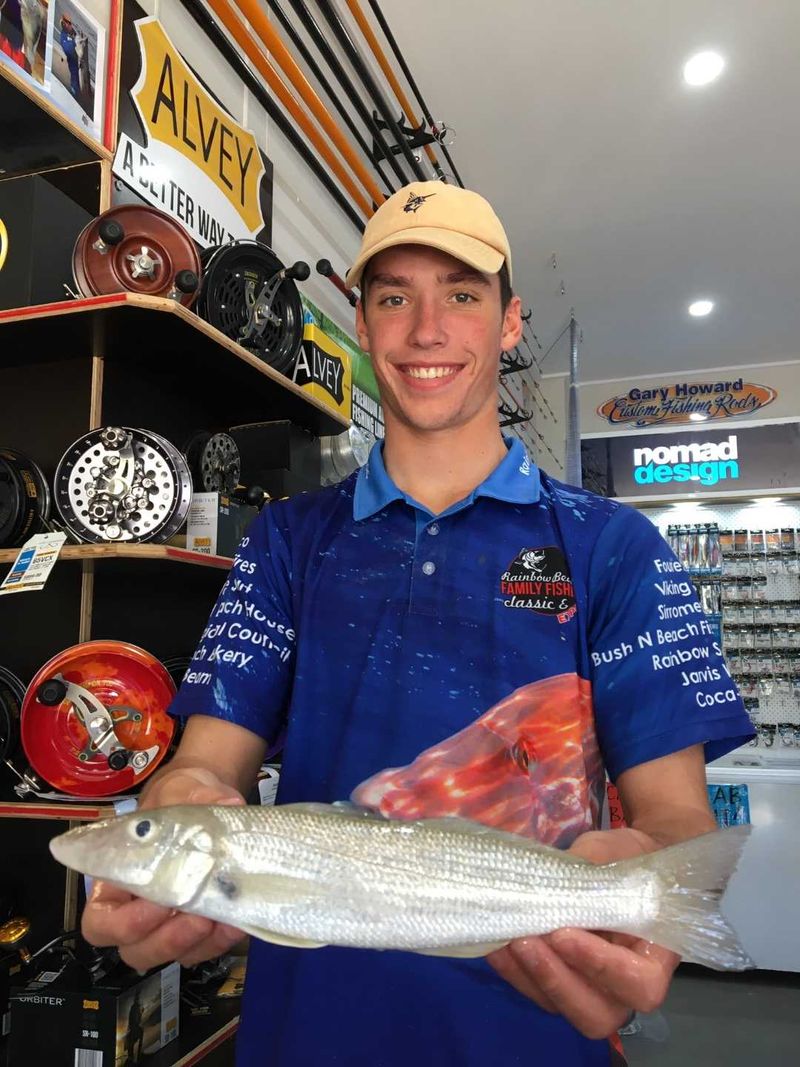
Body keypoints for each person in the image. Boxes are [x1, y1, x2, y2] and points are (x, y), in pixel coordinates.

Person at [82, 182, 754, 1066]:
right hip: (305, 1032)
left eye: (462, 294)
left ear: (510, 322)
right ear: (362, 326)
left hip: (535, 1033)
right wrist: (170, 822)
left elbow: (675, 819)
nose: (426, 328)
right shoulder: (289, 539)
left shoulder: (614, 547)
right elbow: (206, 764)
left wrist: (647, 893)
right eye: (394, 296)